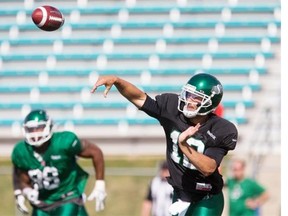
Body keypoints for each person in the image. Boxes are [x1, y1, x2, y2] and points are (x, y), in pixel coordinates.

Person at [91, 72, 238, 216]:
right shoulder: (172, 109)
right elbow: (140, 98)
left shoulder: (221, 129)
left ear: (209, 102)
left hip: (207, 197)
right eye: (188, 94)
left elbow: (209, 168)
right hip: (180, 194)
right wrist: (117, 81)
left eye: (196, 97)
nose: (188, 100)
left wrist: (184, 146)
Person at [11, 109, 107, 215]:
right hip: (41, 202)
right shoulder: (21, 151)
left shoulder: (64, 142)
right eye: (31, 129)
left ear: (49, 126)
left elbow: (96, 152)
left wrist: (100, 184)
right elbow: (21, 176)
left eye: (39, 128)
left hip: (67, 198)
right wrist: (24, 192)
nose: (35, 133)